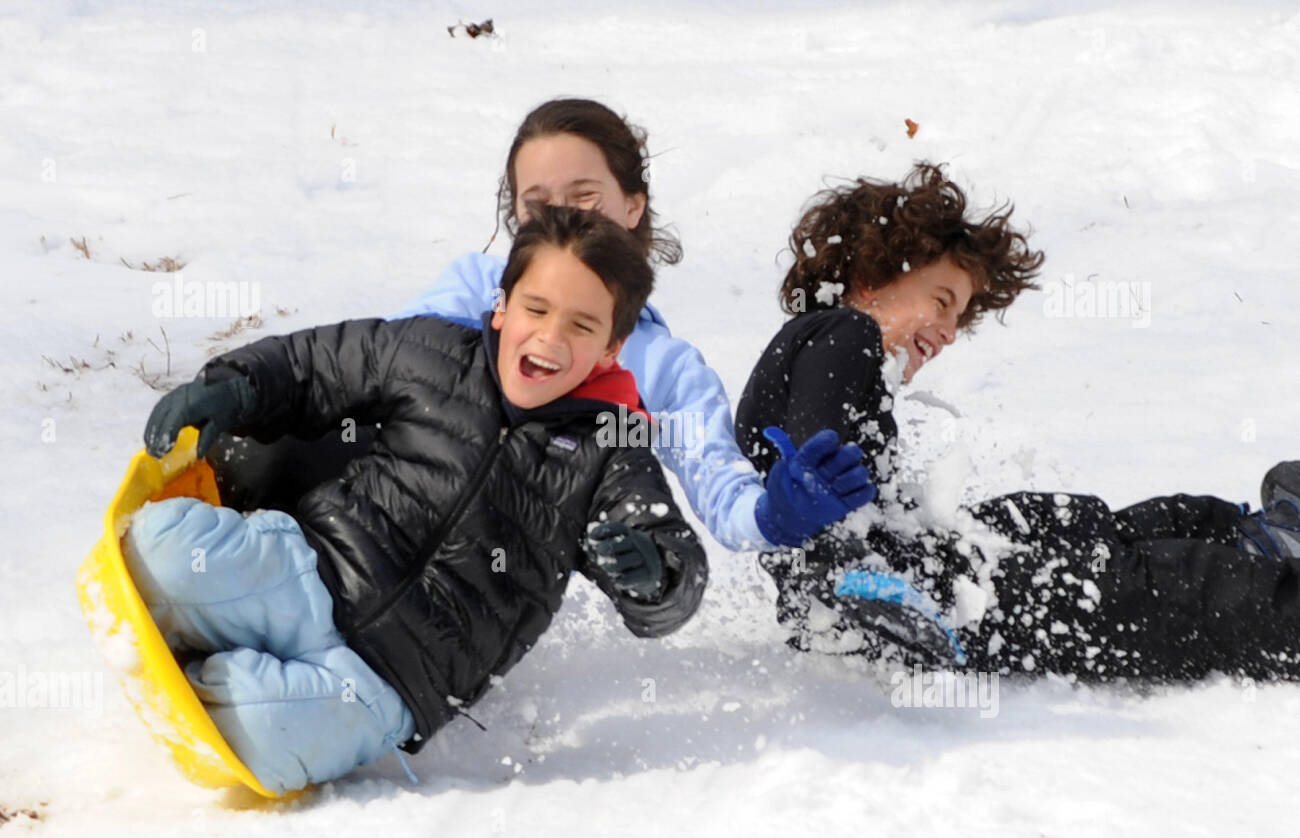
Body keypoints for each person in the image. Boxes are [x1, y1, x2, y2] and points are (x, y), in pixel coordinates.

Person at [122, 204, 712, 795]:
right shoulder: (432, 350)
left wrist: (654, 571)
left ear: (612, 348)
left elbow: (666, 551)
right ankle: (224, 638)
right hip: (310, 569)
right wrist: (234, 387)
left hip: (393, 679)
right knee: (157, 551)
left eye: (582, 327)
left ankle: (222, 660)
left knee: (261, 739)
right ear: (503, 305)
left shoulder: (613, 446)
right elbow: (317, 365)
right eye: (536, 308)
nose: (551, 337)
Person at [207, 97, 868, 553]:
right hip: (379, 501)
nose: (566, 219)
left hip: (477, 568)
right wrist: (251, 389)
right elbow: (380, 368)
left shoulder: (662, 369)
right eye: (536, 204)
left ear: (633, 205)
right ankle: (231, 543)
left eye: (585, 197)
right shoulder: (476, 288)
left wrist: (777, 514)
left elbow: (723, 496)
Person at [735, 162, 1300, 681]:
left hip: (909, 569)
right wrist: (859, 577)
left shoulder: (830, 345)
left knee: (1073, 521)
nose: (951, 332)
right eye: (943, 300)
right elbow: (815, 471)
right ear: (872, 278)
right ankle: (1271, 579)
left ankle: (1259, 536)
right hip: (907, 597)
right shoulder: (843, 333)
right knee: (1162, 587)